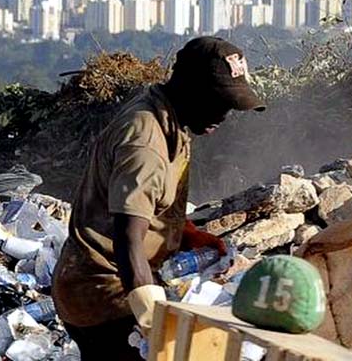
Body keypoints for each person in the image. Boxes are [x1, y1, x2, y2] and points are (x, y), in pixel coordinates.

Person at [51, 36, 265, 360]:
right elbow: (128, 240)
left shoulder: (172, 120)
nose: (224, 114)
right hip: (102, 293)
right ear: (189, 87)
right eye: (218, 100)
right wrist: (153, 320)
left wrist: (190, 236)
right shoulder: (146, 141)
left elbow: (150, 206)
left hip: (110, 282)